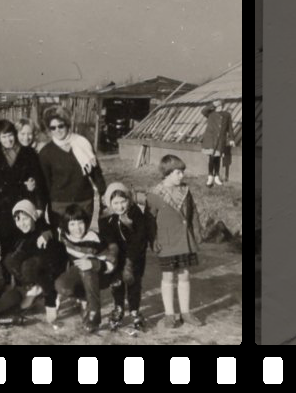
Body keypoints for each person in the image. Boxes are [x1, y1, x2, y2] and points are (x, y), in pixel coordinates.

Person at [146, 155, 204, 329]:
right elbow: (149, 220)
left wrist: (197, 230)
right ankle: (170, 315)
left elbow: (193, 212)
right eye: (178, 173)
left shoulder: (186, 191)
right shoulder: (155, 194)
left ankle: (185, 312)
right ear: (167, 173)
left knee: (185, 275)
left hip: (184, 240)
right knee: (168, 276)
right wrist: (153, 239)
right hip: (167, 242)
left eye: (182, 172)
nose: (182, 176)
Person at [98, 182, 154, 332]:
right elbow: (106, 236)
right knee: (116, 281)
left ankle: (134, 309)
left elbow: (140, 238)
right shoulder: (106, 216)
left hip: (134, 255)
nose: (120, 206)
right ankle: (119, 307)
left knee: (133, 281)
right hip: (117, 255)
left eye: (123, 202)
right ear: (109, 202)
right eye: (115, 203)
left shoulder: (135, 213)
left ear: (129, 199)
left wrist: (130, 261)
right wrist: (112, 250)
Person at [39, 105, 106, 228]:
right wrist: (44, 209)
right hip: (59, 205)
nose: (57, 130)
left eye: (61, 126)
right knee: (61, 241)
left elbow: (96, 173)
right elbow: (45, 184)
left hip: (84, 201)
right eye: (53, 128)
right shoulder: (46, 152)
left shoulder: (83, 143)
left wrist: (104, 193)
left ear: (67, 125)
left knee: (82, 239)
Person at [54, 204, 119, 333]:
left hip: (101, 275)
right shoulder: (65, 237)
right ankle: (83, 298)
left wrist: (94, 264)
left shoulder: (94, 239)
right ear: (66, 225)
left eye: (80, 223)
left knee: (86, 268)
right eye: (72, 224)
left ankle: (94, 316)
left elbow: (111, 262)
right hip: (79, 273)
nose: (77, 228)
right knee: (62, 285)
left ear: (86, 222)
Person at [2, 200, 64, 324]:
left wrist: (50, 302)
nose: (21, 223)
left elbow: (52, 271)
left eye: (25, 219)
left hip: (53, 270)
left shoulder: (43, 232)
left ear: (33, 217)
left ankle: (43, 293)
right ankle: (31, 288)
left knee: (28, 266)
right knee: (9, 260)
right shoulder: (20, 234)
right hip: (35, 269)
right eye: (18, 220)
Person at [0, 119, 44, 252]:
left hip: (24, 202)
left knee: (25, 242)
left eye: (10, 135)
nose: (8, 140)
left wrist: (38, 202)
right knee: (6, 244)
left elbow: (37, 178)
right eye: (4, 137)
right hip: (3, 206)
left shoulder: (28, 152)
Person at [200, 99, 236, 187]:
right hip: (210, 139)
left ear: (223, 106)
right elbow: (203, 111)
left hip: (220, 140)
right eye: (217, 105)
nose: (219, 107)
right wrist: (212, 104)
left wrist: (231, 139)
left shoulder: (227, 115)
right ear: (214, 106)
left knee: (218, 158)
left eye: (220, 105)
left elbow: (230, 128)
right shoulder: (210, 113)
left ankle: (216, 176)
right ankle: (210, 177)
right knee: (212, 158)